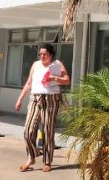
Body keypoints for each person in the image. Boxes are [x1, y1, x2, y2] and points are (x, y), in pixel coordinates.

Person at [15, 43, 69, 172]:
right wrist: (20, 99)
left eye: (45, 54)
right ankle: (32, 156)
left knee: (47, 131)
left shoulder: (56, 64)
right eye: (40, 54)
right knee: (28, 131)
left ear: (51, 55)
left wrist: (55, 78)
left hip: (50, 100)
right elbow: (29, 83)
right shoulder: (35, 65)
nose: (42, 56)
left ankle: (47, 161)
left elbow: (67, 80)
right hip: (35, 99)